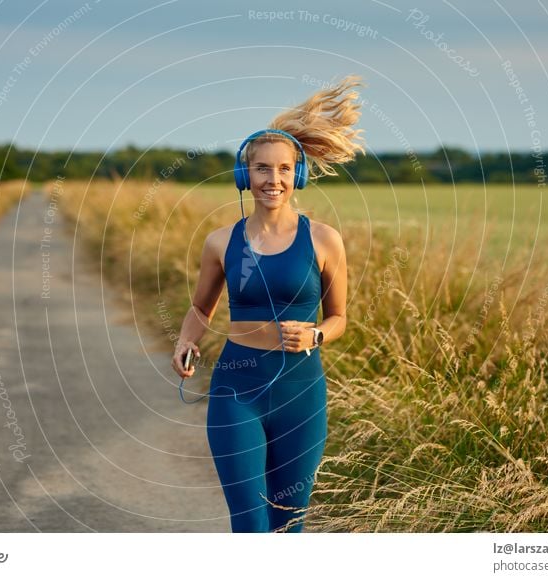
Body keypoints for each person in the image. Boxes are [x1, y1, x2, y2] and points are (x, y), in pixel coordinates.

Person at [171, 76, 365, 532]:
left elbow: (339, 318)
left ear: (297, 175)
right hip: (236, 392)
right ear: (245, 175)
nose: (272, 179)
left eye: (282, 169)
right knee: (251, 525)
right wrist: (185, 340)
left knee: (287, 525)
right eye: (261, 168)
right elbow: (202, 308)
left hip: (302, 394)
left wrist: (317, 333)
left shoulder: (324, 240)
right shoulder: (221, 242)